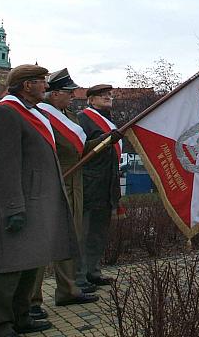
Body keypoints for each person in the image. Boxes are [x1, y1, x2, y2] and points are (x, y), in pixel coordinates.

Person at [0, 65, 77, 336]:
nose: (46, 87)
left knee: (29, 263)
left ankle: (21, 317)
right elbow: (2, 166)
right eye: (41, 82)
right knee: (7, 268)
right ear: (27, 85)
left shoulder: (28, 113)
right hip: (18, 204)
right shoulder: (5, 113)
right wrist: (13, 208)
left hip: (35, 203)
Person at [28, 69, 99, 319]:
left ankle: (68, 290)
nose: (72, 97)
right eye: (68, 93)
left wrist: (103, 142)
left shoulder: (69, 116)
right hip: (52, 182)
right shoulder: (40, 115)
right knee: (42, 242)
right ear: (54, 93)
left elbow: (78, 149)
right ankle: (31, 301)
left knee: (70, 238)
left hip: (73, 182)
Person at [77, 84, 122, 287]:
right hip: (90, 183)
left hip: (107, 183)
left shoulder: (108, 120)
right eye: (102, 95)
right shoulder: (83, 119)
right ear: (91, 99)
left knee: (98, 233)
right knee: (85, 233)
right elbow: (82, 150)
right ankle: (80, 276)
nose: (108, 97)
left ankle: (93, 271)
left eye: (109, 95)